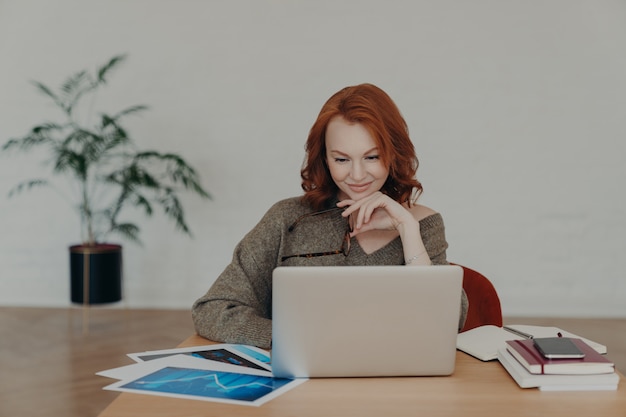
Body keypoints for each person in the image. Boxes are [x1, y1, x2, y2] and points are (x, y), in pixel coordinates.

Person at [192, 83, 468, 349]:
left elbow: (446, 321)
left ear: (393, 154)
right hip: (302, 384)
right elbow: (212, 309)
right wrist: (293, 337)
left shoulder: (423, 225)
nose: (357, 175)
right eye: (341, 159)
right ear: (324, 158)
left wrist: (407, 229)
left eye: (372, 157)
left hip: (391, 385)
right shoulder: (286, 219)